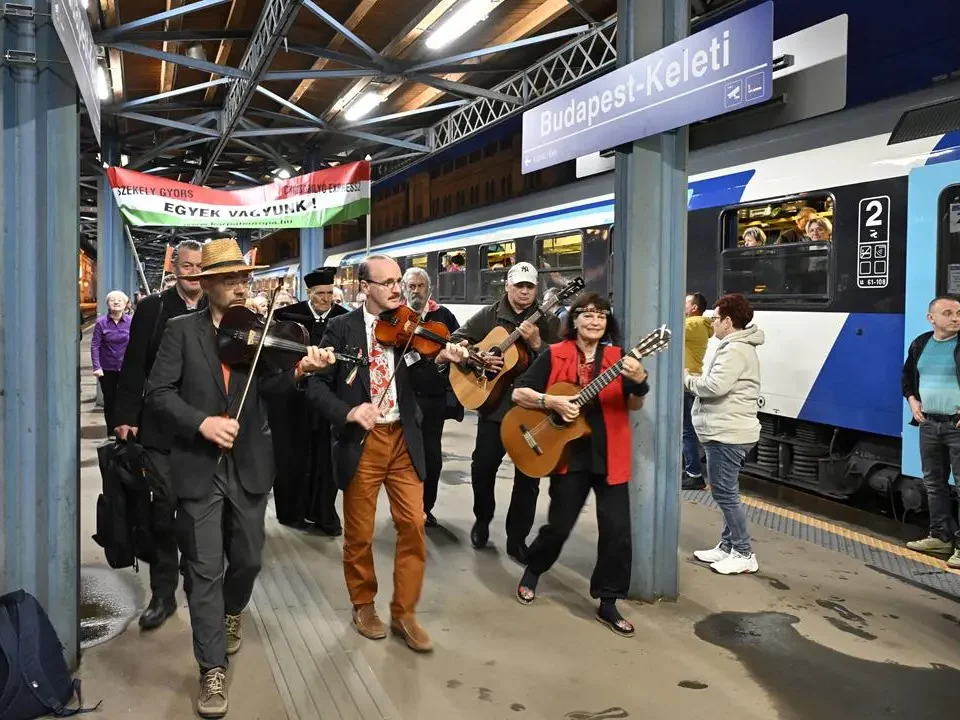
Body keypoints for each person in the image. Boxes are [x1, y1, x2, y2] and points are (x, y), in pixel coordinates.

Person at [146, 238, 334, 717]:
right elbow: (158, 393)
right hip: (198, 465)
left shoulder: (257, 330)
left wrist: (298, 371)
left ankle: (234, 612)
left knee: (248, 560)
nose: (238, 286)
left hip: (249, 462)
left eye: (242, 277)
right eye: (227, 279)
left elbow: (269, 386)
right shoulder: (180, 331)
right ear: (206, 284)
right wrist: (201, 422)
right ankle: (211, 669)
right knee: (204, 570)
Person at [306, 254, 468, 654]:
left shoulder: (411, 328)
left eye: (399, 280)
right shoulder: (341, 329)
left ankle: (405, 612)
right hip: (363, 440)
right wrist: (348, 411)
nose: (398, 289)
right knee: (359, 533)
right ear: (365, 288)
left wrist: (443, 360)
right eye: (388, 283)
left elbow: (424, 379)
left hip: (402, 437)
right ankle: (363, 605)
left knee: (412, 523)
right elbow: (315, 387)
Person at [510, 294, 648, 637]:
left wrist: (641, 378)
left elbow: (634, 404)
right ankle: (533, 570)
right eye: (588, 315)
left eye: (601, 316)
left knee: (617, 531)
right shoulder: (554, 353)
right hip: (568, 454)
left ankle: (608, 601)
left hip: (609, 453)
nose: (595, 321)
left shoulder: (619, 358)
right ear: (574, 320)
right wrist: (552, 400)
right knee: (559, 526)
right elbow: (518, 392)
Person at [113, 239, 207, 631]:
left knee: (200, 513)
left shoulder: (217, 307)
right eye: (187, 267)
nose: (193, 274)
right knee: (162, 512)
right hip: (159, 430)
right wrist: (124, 415)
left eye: (200, 267)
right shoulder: (152, 309)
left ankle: (203, 589)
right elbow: (133, 365)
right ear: (175, 270)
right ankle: (163, 594)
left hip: (204, 429)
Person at [438, 261, 561, 561]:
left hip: (532, 411)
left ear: (536, 290)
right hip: (494, 409)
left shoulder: (549, 322)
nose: (523, 291)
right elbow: (455, 342)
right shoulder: (490, 315)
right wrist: (475, 359)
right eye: (518, 285)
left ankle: (517, 538)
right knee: (482, 468)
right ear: (507, 286)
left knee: (528, 478)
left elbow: (562, 366)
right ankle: (482, 518)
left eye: (529, 286)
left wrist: (538, 344)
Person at [685, 293, 764, 575]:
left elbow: (713, 386)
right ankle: (727, 545)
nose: (713, 323)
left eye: (716, 318)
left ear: (728, 322)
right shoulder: (735, 346)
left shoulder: (734, 350)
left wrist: (686, 379)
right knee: (725, 490)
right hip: (726, 429)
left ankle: (744, 552)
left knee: (725, 493)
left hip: (728, 432)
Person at [272, 266, 350, 533]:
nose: (326, 299)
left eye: (330, 293)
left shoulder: (344, 320)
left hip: (326, 399)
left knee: (325, 458)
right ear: (309, 293)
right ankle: (291, 511)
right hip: (294, 399)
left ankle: (323, 513)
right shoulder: (286, 317)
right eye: (320, 294)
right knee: (292, 455)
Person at [901, 296, 960, 568]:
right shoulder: (921, 344)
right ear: (931, 318)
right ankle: (940, 537)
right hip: (929, 424)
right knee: (934, 483)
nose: (955, 318)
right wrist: (912, 400)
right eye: (948, 313)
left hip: (956, 425)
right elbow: (908, 377)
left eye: (958, 313)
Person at [400, 266, 461, 526]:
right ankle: (407, 508)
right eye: (411, 286)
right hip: (404, 396)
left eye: (420, 286)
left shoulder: (443, 315)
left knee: (432, 458)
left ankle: (427, 507)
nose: (416, 291)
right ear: (404, 290)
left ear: (429, 289)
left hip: (434, 397)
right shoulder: (395, 318)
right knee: (404, 458)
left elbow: (459, 341)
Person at [682, 292, 713, 490]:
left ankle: (693, 474)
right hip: (689, 380)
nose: (682, 307)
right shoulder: (700, 325)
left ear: (694, 308)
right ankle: (689, 470)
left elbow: (668, 330)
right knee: (686, 430)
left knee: (687, 431)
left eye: (685, 303)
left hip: (686, 383)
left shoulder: (693, 324)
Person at [91, 290, 132, 437]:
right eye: (112, 300)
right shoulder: (101, 323)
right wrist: (97, 366)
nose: (116, 302)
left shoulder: (131, 321)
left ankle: (125, 431)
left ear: (126, 304)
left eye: (120, 300)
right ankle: (111, 432)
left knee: (126, 400)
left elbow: (136, 344)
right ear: (107, 304)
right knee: (110, 401)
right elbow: (95, 345)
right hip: (107, 369)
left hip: (126, 369)